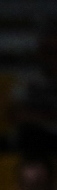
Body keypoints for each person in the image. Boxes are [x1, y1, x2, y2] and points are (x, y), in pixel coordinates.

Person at [12, 24, 57, 161]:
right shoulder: (28, 80)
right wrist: (48, 116)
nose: (52, 58)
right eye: (49, 52)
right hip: (41, 138)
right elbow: (16, 114)